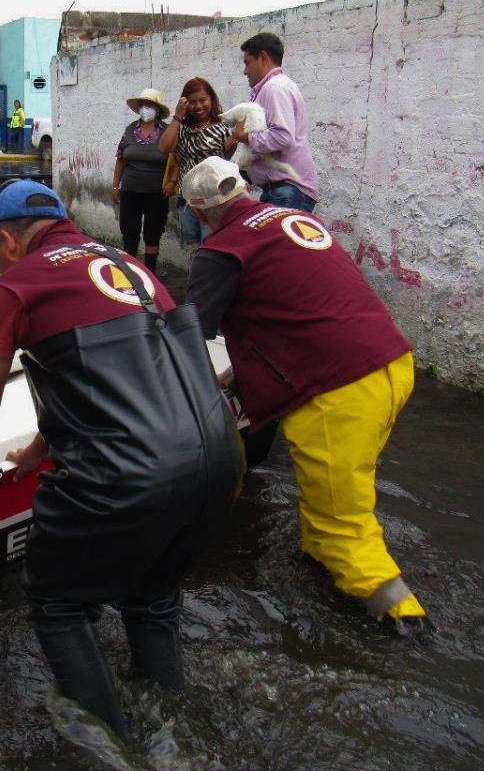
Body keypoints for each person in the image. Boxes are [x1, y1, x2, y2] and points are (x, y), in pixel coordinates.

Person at [0, 180, 244, 740]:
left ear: (7, 240)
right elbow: (108, 382)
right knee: (151, 599)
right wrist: (37, 452)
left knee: (56, 602)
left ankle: (112, 746)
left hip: (131, 474)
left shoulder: (15, 289)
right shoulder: (132, 267)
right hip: (218, 457)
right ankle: (169, 724)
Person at [182, 156, 426, 631]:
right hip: (389, 363)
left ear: (198, 211)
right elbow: (295, 308)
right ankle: (318, 560)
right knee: (333, 492)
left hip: (337, 390)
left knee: (345, 525)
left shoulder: (221, 251)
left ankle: (403, 623)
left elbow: (189, 339)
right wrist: (236, 376)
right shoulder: (294, 219)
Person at [226, 32, 319, 212]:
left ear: (262, 57)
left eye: (247, 63)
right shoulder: (274, 87)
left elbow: (282, 136)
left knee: (278, 241)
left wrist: (245, 137)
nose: (245, 70)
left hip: (287, 190)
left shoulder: (274, 88)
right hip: (284, 190)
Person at [158, 77, 232, 258]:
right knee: (194, 250)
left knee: (211, 249)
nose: (198, 106)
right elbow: (164, 148)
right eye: (192, 102)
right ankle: (197, 284)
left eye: (203, 100)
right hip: (187, 201)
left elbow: (231, 162)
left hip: (214, 201)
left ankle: (210, 285)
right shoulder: (182, 128)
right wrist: (177, 116)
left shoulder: (223, 127)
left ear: (211, 100)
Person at [112, 88, 173, 277]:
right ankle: (130, 275)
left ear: (157, 109)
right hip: (131, 190)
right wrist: (116, 185)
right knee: (130, 233)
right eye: (143, 105)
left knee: (152, 234)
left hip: (157, 192)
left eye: (150, 105)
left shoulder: (167, 131)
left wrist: (172, 182)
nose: (146, 108)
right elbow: (121, 158)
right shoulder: (130, 130)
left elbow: (175, 158)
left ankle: (150, 274)